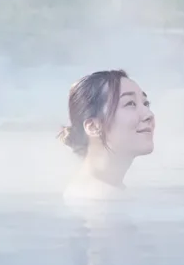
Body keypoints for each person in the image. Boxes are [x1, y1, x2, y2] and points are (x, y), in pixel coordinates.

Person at [59, 69, 155, 203]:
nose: (149, 114)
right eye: (130, 103)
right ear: (93, 127)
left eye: (146, 104)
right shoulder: (101, 199)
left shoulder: (104, 190)